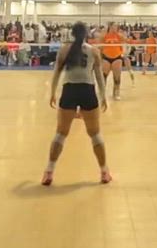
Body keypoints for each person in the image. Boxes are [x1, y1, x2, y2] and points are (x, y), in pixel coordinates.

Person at [44, 22, 110, 186]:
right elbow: (99, 77)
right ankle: (104, 172)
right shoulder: (93, 51)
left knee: (61, 133)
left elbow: (56, 72)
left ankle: (49, 171)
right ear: (87, 34)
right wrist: (103, 96)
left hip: (69, 90)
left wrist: (52, 92)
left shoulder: (64, 49)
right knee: (95, 134)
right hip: (87, 90)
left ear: (72, 34)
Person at [99, 23, 125, 100]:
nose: (115, 27)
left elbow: (124, 39)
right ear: (110, 27)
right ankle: (102, 93)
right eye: (114, 26)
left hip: (117, 57)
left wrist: (117, 33)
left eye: (116, 26)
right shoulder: (105, 35)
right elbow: (100, 43)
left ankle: (116, 92)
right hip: (106, 57)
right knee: (104, 76)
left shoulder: (119, 35)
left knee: (117, 77)